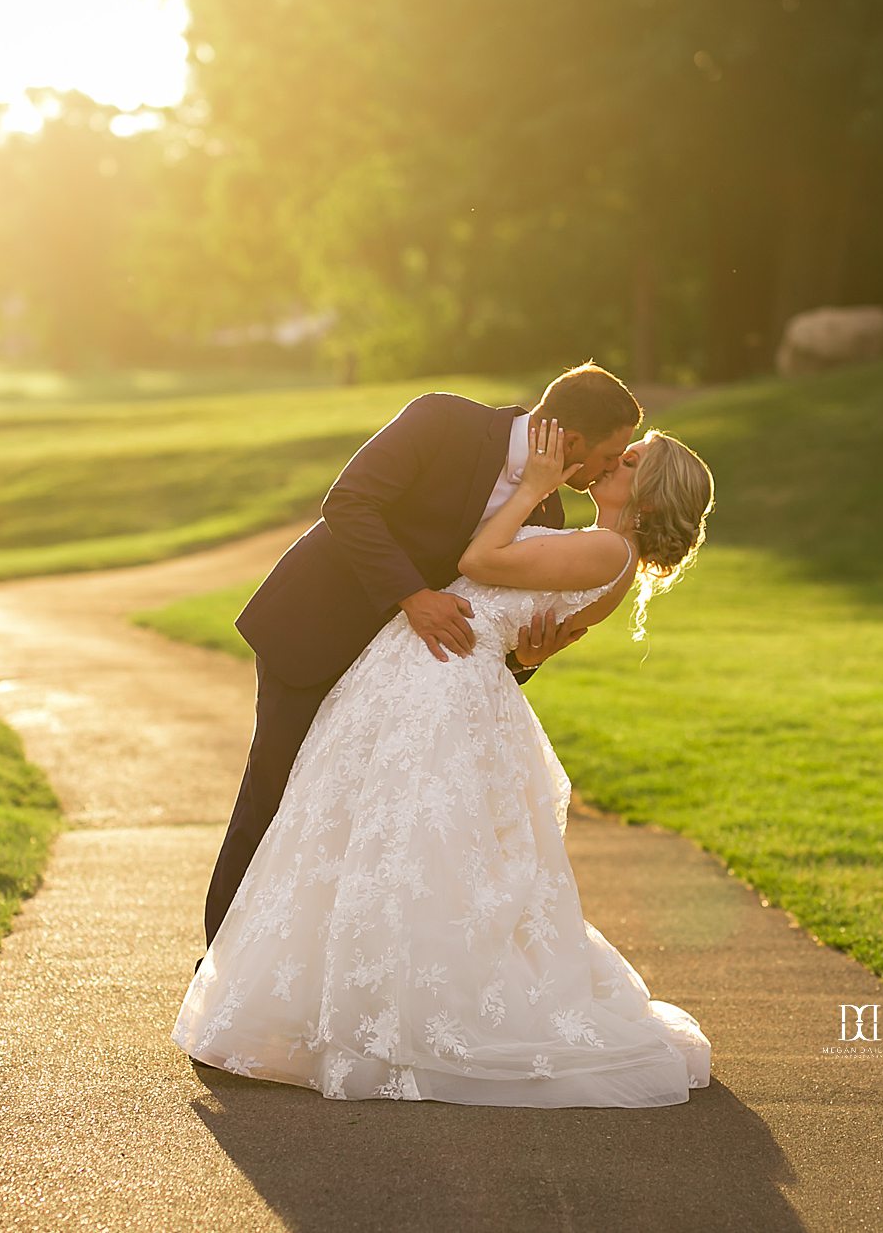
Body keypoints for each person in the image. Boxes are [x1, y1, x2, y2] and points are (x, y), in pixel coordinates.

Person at [174, 415, 718, 1106]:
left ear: (648, 492)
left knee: (400, 844)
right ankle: (324, 992)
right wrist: (529, 648)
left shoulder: (607, 549)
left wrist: (531, 491)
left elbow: (479, 564)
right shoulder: (597, 546)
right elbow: (527, 627)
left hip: (439, 682)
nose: (615, 460)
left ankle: (379, 1009)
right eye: (620, 449)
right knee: (373, 834)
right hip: (433, 672)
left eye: (632, 459)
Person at [200, 363, 645, 951]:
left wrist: (528, 658)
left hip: (397, 684)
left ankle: (317, 980)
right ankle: (221, 971)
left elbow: (485, 629)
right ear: (571, 441)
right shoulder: (444, 420)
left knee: (353, 823)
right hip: (315, 633)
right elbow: (350, 502)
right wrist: (412, 596)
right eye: (609, 457)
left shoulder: (547, 516)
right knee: (277, 797)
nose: (608, 471)